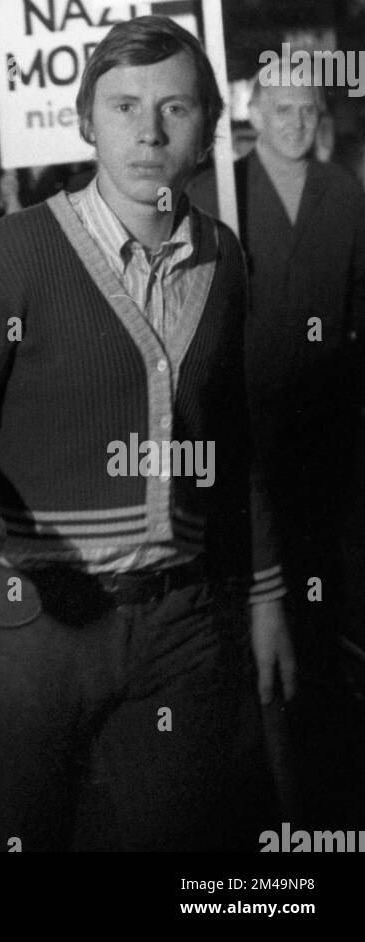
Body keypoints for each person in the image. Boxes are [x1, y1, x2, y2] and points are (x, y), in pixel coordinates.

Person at [0, 15, 295, 852]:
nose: (148, 132)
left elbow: (233, 442)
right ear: (86, 120)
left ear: (208, 128)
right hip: (39, 621)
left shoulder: (224, 259)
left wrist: (267, 595)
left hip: (182, 623)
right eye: (123, 106)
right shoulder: (15, 252)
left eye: (175, 108)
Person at [192, 72, 365, 671]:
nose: (296, 121)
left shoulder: (343, 193)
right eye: (282, 107)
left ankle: (321, 676)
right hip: (243, 421)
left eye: (309, 109)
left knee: (319, 559)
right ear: (255, 113)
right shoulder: (218, 194)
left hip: (324, 421)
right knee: (252, 561)